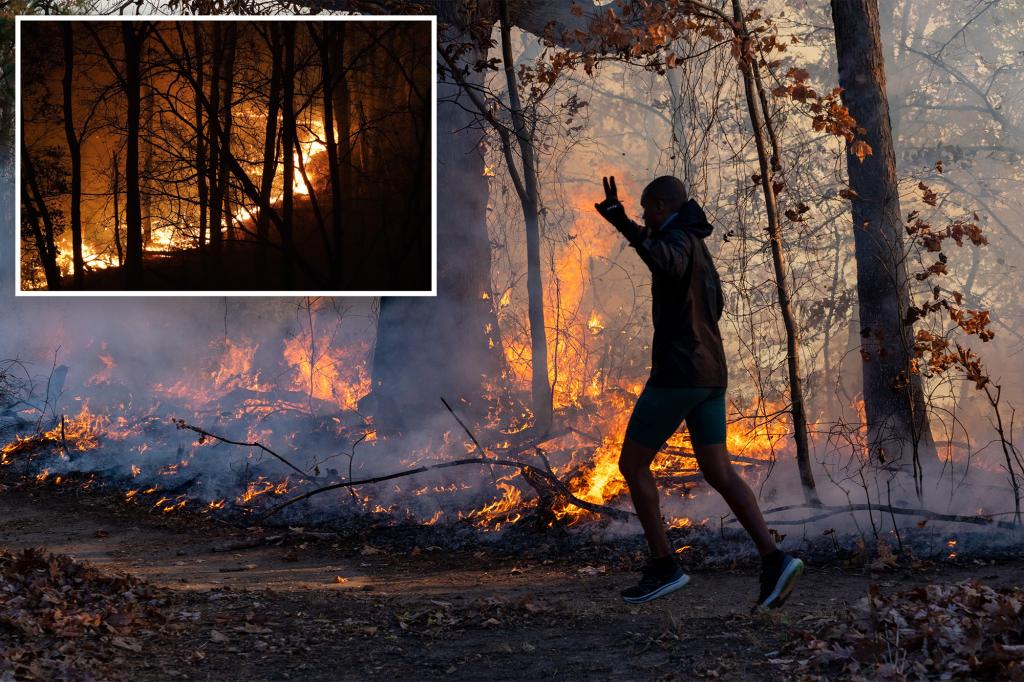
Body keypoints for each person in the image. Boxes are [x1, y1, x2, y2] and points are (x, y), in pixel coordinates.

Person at [594, 175, 803, 607]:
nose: (644, 217)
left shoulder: (678, 241)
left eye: (646, 209)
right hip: (711, 375)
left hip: (680, 374)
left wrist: (623, 225)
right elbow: (714, 304)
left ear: (661, 204)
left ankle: (663, 567)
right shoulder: (699, 247)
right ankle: (774, 560)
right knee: (719, 472)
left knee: (632, 465)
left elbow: (663, 262)